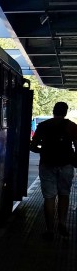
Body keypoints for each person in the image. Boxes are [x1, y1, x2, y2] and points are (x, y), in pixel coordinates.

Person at [30, 101, 77, 238]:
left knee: (49, 197)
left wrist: (43, 150)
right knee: (64, 194)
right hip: (66, 165)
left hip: (47, 164)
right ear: (66, 112)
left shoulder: (43, 126)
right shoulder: (72, 126)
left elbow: (33, 146)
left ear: (53, 111)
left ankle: (49, 229)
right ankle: (62, 222)